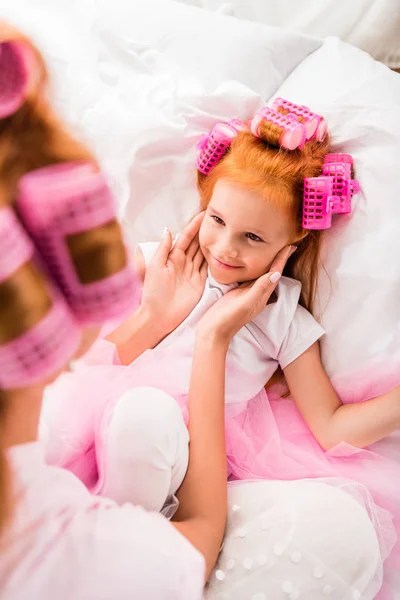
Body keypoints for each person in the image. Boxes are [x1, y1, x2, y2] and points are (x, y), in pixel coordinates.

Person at [0, 24, 387, 600]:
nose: (226, 249)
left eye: (254, 238)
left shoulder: (280, 317)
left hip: (198, 456)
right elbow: (90, 359)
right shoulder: (163, 266)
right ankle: (131, 536)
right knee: (141, 412)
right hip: (118, 430)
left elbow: (330, 426)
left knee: (150, 419)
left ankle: (141, 539)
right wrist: (155, 314)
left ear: (292, 246)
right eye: (217, 220)